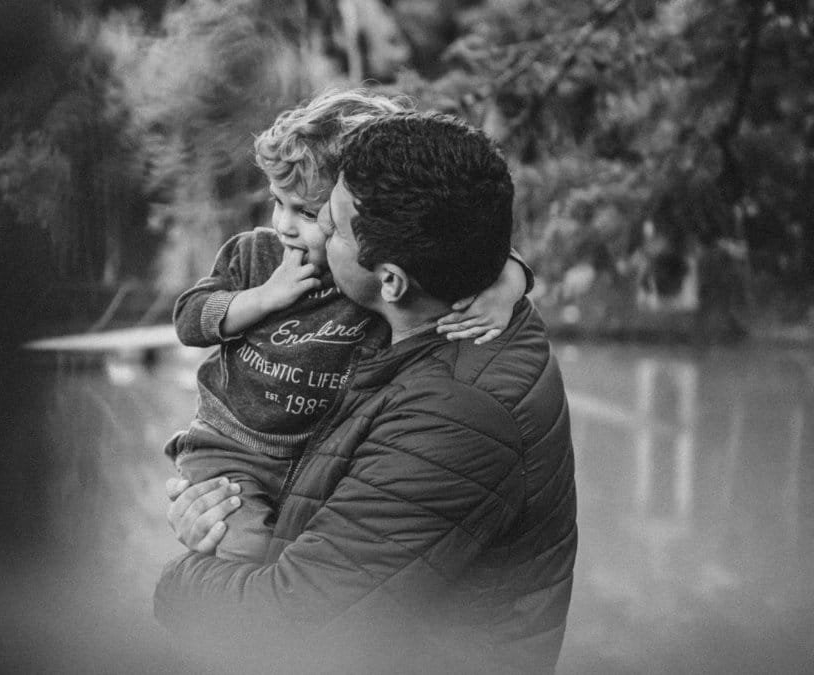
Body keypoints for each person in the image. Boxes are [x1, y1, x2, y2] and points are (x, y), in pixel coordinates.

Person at [156, 111, 577, 674]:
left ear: (391, 281)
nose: (300, 235)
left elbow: (282, 621)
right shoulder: (442, 296)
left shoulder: (457, 416)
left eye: (330, 226)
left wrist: (181, 577)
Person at [168, 90, 534, 563]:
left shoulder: (367, 278)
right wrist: (263, 297)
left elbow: (464, 248)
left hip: (313, 455)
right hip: (231, 446)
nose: (284, 225)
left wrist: (506, 286)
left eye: (308, 213)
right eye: (278, 202)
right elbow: (189, 318)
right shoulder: (256, 255)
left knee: (308, 554)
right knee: (247, 548)